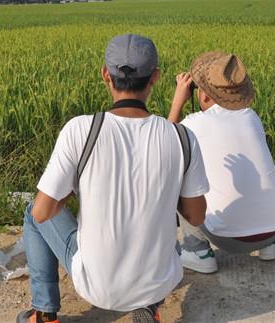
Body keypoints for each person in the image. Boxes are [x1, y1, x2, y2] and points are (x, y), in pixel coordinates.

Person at [18, 34, 209, 323]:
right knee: (162, 229)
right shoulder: (181, 137)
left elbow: (44, 212)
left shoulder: (80, 130)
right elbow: (196, 216)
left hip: (97, 286)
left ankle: (44, 315)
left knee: (32, 213)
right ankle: (148, 305)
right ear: (155, 77)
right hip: (158, 281)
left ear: (105, 74)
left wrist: (74, 189)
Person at [168, 52, 275, 273]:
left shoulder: (194, 124)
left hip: (228, 239)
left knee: (179, 173)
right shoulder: (251, 116)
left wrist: (178, 101)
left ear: (203, 95)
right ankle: (269, 247)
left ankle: (198, 252)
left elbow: (163, 149)